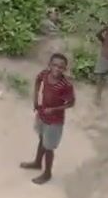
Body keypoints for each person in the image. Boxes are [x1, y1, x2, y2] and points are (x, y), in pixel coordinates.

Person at [20, 53, 76, 185]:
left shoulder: (65, 85)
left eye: (61, 67)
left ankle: (47, 173)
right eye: (55, 65)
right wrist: (35, 98)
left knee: (49, 148)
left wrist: (54, 109)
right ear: (49, 65)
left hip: (55, 121)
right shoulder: (45, 74)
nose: (57, 69)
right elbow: (38, 80)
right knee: (41, 139)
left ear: (65, 69)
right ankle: (37, 163)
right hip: (42, 114)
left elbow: (71, 103)